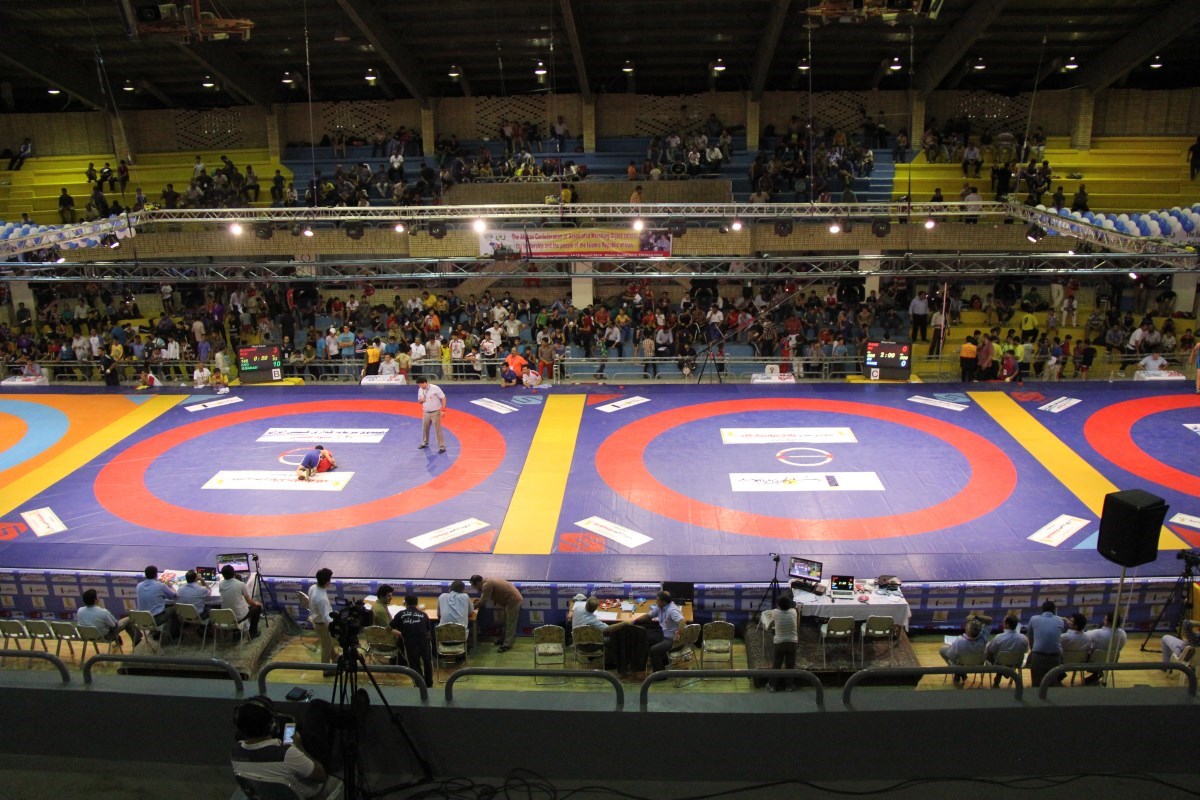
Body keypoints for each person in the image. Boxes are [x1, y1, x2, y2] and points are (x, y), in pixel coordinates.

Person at [231, 698, 340, 799]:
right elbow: (321, 776)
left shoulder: (235, 753)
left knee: (291, 724)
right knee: (316, 706)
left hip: (270, 793)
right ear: (272, 725)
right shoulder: (288, 754)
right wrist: (298, 746)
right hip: (309, 788)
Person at [631, 590, 685, 673]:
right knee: (643, 638)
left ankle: (660, 675)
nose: (656, 602)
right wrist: (634, 621)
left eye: (658, 600)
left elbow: (682, 621)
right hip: (664, 633)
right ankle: (642, 667)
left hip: (671, 639)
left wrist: (678, 634)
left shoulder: (672, 610)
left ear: (664, 601)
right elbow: (649, 616)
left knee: (654, 650)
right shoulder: (660, 607)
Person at [470, 573, 523, 652]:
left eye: (473, 586)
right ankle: (503, 639)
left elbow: (483, 601)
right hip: (510, 601)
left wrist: (470, 608)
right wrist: (479, 601)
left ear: (477, 583)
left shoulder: (487, 585)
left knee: (510, 623)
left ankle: (507, 645)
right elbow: (483, 597)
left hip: (513, 600)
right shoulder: (486, 581)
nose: (474, 588)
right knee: (506, 622)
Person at [392, 595, 433, 687]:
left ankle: (419, 684)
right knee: (427, 662)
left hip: (410, 643)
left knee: (414, 664)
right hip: (424, 642)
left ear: (405, 603)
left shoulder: (400, 614)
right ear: (417, 603)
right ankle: (429, 684)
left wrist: (400, 634)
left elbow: (388, 628)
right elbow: (429, 632)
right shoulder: (424, 615)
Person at [76, 588, 140, 647]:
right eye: (97, 596)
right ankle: (137, 642)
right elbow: (114, 625)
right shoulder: (103, 612)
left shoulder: (80, 611)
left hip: (88, 637)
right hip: (106, 637)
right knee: (129, 619)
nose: (98, 597)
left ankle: (118, 639)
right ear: (95, 600)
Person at [1026, 600, 1067, 686]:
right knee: (1052, 684)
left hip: (1038, 655)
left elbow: (1030, 637)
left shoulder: (1034, 619)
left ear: (1042, 609)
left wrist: (1033, 651)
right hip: (1055, 656)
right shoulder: (1060, 621)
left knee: (1036, 684)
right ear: (1054, 610)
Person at [764, 593, 799, 691]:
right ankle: (789, 686)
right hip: (792, 642)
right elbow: (793, 606)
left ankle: (772, 685)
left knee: (777, 664)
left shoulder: (775, 612)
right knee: (790, 665)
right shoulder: (794, 612)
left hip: (780, 643)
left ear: (779, 605)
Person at [219, 563, 263, 639]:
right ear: (234, 573)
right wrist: (257, 603)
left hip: (226, 617)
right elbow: (249, 601)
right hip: (238, 617)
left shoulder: (221, 584)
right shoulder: (240, 584)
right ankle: (253, 632)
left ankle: (236, 631)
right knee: (257, 608)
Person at [984, 613, 1029, 687]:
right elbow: (1026, 651)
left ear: (1007, 625)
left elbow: (990, 651)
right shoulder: (1023, 638)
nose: (1002, 623)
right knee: (1005, 660)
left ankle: (1001, 672)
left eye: (1003, 622)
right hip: (1016, 663)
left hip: (999, 663)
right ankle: (1005, 672)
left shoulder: (998, 638)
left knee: (989, 654)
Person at [1083, 611, 1127, 685]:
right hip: (1111, 662)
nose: (1103, 620)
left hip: (1092, 662)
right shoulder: (1123, 634)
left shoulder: (1097, 633)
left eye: (1105, 619)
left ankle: (1097, 673)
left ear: (1108, 622)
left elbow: (1082, 637)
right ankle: (1097, 673)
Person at [939, 618, 986, 685]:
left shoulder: (959, 641)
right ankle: (961, 673)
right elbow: (988, 624)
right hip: (978, 665)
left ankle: (959, 672)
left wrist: (952, 647)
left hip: (962, 663)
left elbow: (951, 656)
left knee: (942, 650)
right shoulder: (983, 640)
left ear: (967, 630)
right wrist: (977, 617)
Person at [136, 565, 178, 640]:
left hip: (142, 619)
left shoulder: (139, 586)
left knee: (162, 606)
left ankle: (156, 631)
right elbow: (173, 595)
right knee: (175, 608)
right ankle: (174, 634)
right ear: (156, 575)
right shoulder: (160, 586)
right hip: (155, 619)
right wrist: (170, 586)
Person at [308, 568, 335, 664]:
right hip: (322, 625)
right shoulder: (321, 599)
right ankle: (326, 669)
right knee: (326, 648)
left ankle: (335, 659)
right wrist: (335, 626)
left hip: (316, 621)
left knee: (328, 642)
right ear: (327, 582)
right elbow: (326, 618)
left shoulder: (313, 588)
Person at [415, 375, 447, 453]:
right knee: (425, 428)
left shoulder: (435, 388)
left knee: (437, 429)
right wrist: (421, 400)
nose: (419, 386)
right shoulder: (420, 390)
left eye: (420, 384)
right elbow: (419, 401)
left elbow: (443, 397)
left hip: (435, 412)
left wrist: (443, 409)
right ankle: (425, 442)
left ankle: (442, 446)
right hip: (426, 412)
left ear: (424, 383)